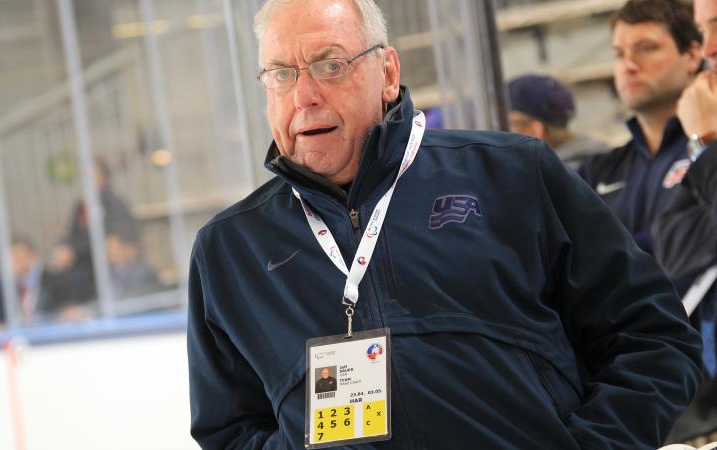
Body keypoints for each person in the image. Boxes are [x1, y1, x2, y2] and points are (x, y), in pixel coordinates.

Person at [187, 0, 702, 448]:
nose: (304, 96)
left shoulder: (512, 174)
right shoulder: (230, 251)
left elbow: (652, 335)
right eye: (282, 73)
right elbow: (230, 430)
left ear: (387, 73)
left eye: (330, 65)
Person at [578, 0, 703, 258]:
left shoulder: (708, 152)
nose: (629, 65)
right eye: (619, 54)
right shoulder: (597, 172)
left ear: (692, 56)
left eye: (646, 48)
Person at [652, 0, 717, 443]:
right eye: (701, 31)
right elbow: (671, 248)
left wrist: (707, 141)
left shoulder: (704, 130)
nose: (708, 48)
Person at [55, 156, 139, 303]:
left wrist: (75, 250)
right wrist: (65, 247)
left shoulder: (114, 203)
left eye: (91, 174)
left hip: (99, 273)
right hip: (82, 272)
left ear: (101, 175)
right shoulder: (83, 204)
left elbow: (112, 238)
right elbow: (73, 232)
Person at [507, 74, 609, 169]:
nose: (499, 137)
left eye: (509, 126)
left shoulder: (547, 182)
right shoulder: (605, 163)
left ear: (534, 131)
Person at [10, 236, 70, 325]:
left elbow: (66, 313)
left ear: (30, 255)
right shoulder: (12, 287)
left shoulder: (55, 281)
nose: (13, 262)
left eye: (17, 256)